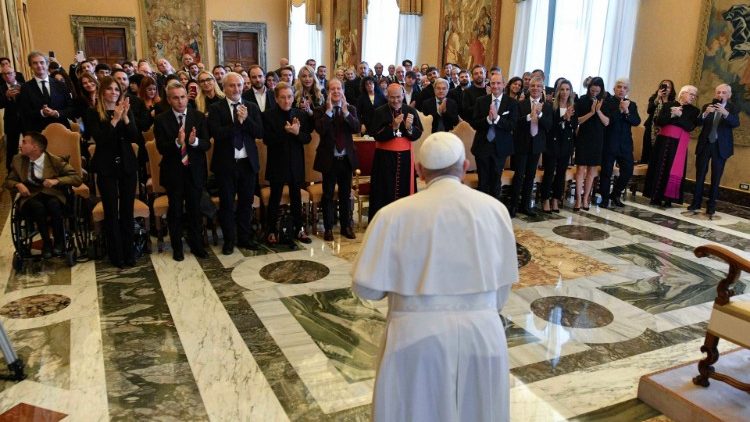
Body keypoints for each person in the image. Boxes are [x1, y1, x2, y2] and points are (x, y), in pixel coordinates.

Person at [352, 131, 518, 422]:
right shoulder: (496, 210)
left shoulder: (393, 214)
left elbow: (367, 288)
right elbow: (503, 289)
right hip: (483, 335)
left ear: (418, 170)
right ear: (465, 166)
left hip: (415, 338)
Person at [208, 72, 264, 255]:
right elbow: (217, 133)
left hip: (247, 163)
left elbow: (259, 132)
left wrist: (246, 120)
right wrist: (237, 124)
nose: (236, 89)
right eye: (232, 85)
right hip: (226, 164)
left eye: (239, 85)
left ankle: (244, 238)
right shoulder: (216, 108)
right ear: (224, 88)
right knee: (227, 204)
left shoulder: (252, 107)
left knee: (246, 203)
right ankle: (229, 241)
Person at [86, 76, 140, 268]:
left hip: (127, 165)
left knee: (127, 211)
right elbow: (101, 140)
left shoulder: (126, 110)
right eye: (109, 89)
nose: (114, 93)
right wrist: (115, 119)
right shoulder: (93, 113)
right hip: (106, 166)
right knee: (111, 211)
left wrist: (125, 117)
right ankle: (116, 255)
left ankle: (130, 252)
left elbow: (135, 137)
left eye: (117, 90)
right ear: (102, 93)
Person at [154, 81, 210, 261]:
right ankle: (177, 247)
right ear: (169, 100)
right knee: (175, 211)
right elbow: (161, 148)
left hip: (194, 172)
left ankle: (197, 245)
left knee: (194, 210)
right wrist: (178, 142)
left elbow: (206, 144)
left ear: (187, 97)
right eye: (175, 98)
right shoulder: (161, 120)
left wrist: (193, 142)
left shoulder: (199, 116)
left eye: (183, 97)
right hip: (174, 173)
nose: (180, 101)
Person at [5, 132, 82, 258]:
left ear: (35, 147)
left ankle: (59, 242)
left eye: (24, 142)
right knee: (37, 207)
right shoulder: (18, 160)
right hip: (31, 195)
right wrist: (18, 185)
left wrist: (56, 181)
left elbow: (76, 178)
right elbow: (8, 181)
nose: (20, 145)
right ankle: (46, 243)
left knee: (54, 204)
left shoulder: (54, 160)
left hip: (52, 194)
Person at [262, 82, 313, 245]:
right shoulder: (268, 115)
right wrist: (286, 132)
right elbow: (267, 140)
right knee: (275, 197)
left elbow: (307, 138)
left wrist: (297, 133)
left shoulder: (300, 114)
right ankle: (270, 231)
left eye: (289, 97)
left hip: (296, 163)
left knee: (296, 197)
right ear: (276, 99)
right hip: (277, 162)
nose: (286, 101)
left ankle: (299, 228)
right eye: (283, 97)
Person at [313, 78, 360, 241]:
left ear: (343, 91)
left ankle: (346, 226)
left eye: (338, 88)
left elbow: (356, 128)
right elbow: (320, 129)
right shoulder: (321, 110)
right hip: (329, 160)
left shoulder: (351, 109)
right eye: (332, 88)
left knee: (345, 194)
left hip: (345, 159)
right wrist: (329, 111)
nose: (335, 91)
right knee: (327, 195)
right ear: (327, 92)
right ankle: (328, 228)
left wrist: (346, 112)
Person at [367, 83, 423, 219]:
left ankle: (404, 220)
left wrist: (409, 128)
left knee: (404, 190)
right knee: (383, 190)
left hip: (405, 159)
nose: (396, 100)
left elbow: (418, 133)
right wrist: (394, 127)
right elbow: (376, 134)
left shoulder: (410, 111)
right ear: (387, 96)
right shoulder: (379, 111)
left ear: (403, 95)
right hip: (384, 160)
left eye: (398, 97)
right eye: (392, 97)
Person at [643, 85, 701, 207]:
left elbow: (690, 126)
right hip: (663, 142)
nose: (693, 97)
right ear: (683, 93)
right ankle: (655, 196)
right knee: (659, 166)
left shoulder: (694, 110)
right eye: (691, 94)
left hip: (678, 143)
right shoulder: (668, 105)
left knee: (671, 168)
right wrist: (672, 115)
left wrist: (679, 116)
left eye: (694, 95)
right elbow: (658, 121)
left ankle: (668, 199)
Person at [688, 83, 740, 215]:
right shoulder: (707, 106)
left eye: (723, 93)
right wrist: (705, 113)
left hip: (720, 147)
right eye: (718, 92)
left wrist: (725, 113)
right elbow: (698, 123)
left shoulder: (733, 108)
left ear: (729, 95)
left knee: (716, 177)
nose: (720, 95)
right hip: (705, 145)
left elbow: (735, 123)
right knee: (700, 175)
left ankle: (711, 205)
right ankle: (696, 202)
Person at [470, 72, 518, 201]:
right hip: (482, 146)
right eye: (493, 83)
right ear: (489, 84)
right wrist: (487, 119)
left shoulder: (512, 103)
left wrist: (497, 119)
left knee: (496, 180)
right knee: (483, 181)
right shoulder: (481, 101)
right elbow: (474, 123)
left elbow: (512, 125)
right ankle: (481, 211)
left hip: (500, 148)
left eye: (498, 83)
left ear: (504, 85)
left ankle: (493, 211)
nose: (495, 86)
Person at [511, 76, 552, 217]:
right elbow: (516, 123)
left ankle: (526, 205)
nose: (535, 88)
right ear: (529, 88)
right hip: (522, 144)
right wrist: (530, 116)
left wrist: (539, 114)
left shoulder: (547, 106)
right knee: (519, 175)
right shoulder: (520, 104)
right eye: (533, 86)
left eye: (538, 86)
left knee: (530, 176)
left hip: (536, 145)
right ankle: (513, 205)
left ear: (542, 89)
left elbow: (548, 126)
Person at [599, 78, 641, 209]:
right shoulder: (607, 102)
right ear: (614, 89)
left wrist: (627, 111)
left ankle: (615, 194)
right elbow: (608, 121)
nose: (621, 89)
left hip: (625, 144)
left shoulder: (632, 105)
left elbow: (636, 121)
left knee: (628, 170)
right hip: (609, 142)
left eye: (624, 88)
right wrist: (620, 110)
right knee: (606, 172)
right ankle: (605, 198)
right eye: (619, 87)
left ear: (627, 90)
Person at [573, 76, 610, 211]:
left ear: (601, 90)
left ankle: (586, 198)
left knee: (591, 171)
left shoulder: (605, 102)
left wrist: (598, 111)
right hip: (583, 137)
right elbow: (577, 120)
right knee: (580, 170)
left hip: (597, 139)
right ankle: (577, 198)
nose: (594, 93)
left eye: (596, 91)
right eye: (592, 91)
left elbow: (606, 122)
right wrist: (591, 112)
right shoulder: (582, 100)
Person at [540, 79, 577, 213]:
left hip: (566, 144)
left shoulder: (573, 107)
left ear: (570, 92)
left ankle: (556, 199)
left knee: (561, 173)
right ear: (558, 91)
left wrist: (569, 120)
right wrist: (563, 118)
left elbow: (574, 125)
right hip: (552, 143)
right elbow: (550, 125)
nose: (564, 92)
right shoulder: (551, 106)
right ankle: (545, 199)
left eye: (567, 89)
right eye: (562, 89)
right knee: (549, 173)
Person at [18, 52, 74, 132]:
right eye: (35, 63)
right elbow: (24, 112)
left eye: (42, 62)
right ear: (30, 66)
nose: (39, 66)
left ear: (47, 64)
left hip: (62, 130)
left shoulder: (60, 85)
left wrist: (56, 113)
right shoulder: (25, 88)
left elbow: (71, 108)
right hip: (38, 132)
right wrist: (41, 112)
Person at [641, 80, 675, 164]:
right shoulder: (654, 99)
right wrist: (658, 98)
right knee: (647, 151)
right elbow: (649, 111)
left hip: (664, 131)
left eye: (668, 87)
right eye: (663, 86)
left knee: (659, 154)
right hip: (650, 129)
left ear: (671, 90)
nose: (666, 89)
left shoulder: (673, 103)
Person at [0, 64, 25, 170]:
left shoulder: (24, 86)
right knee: (11, 149)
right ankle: (10, 172)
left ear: (14, 74)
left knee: (31, 145)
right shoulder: (1, 89)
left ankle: (30, 169)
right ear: (2, 77)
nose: (7, 76)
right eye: (4, 74)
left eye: (9, 73)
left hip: (25, 120)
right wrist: (6, 96)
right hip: (11, 121)